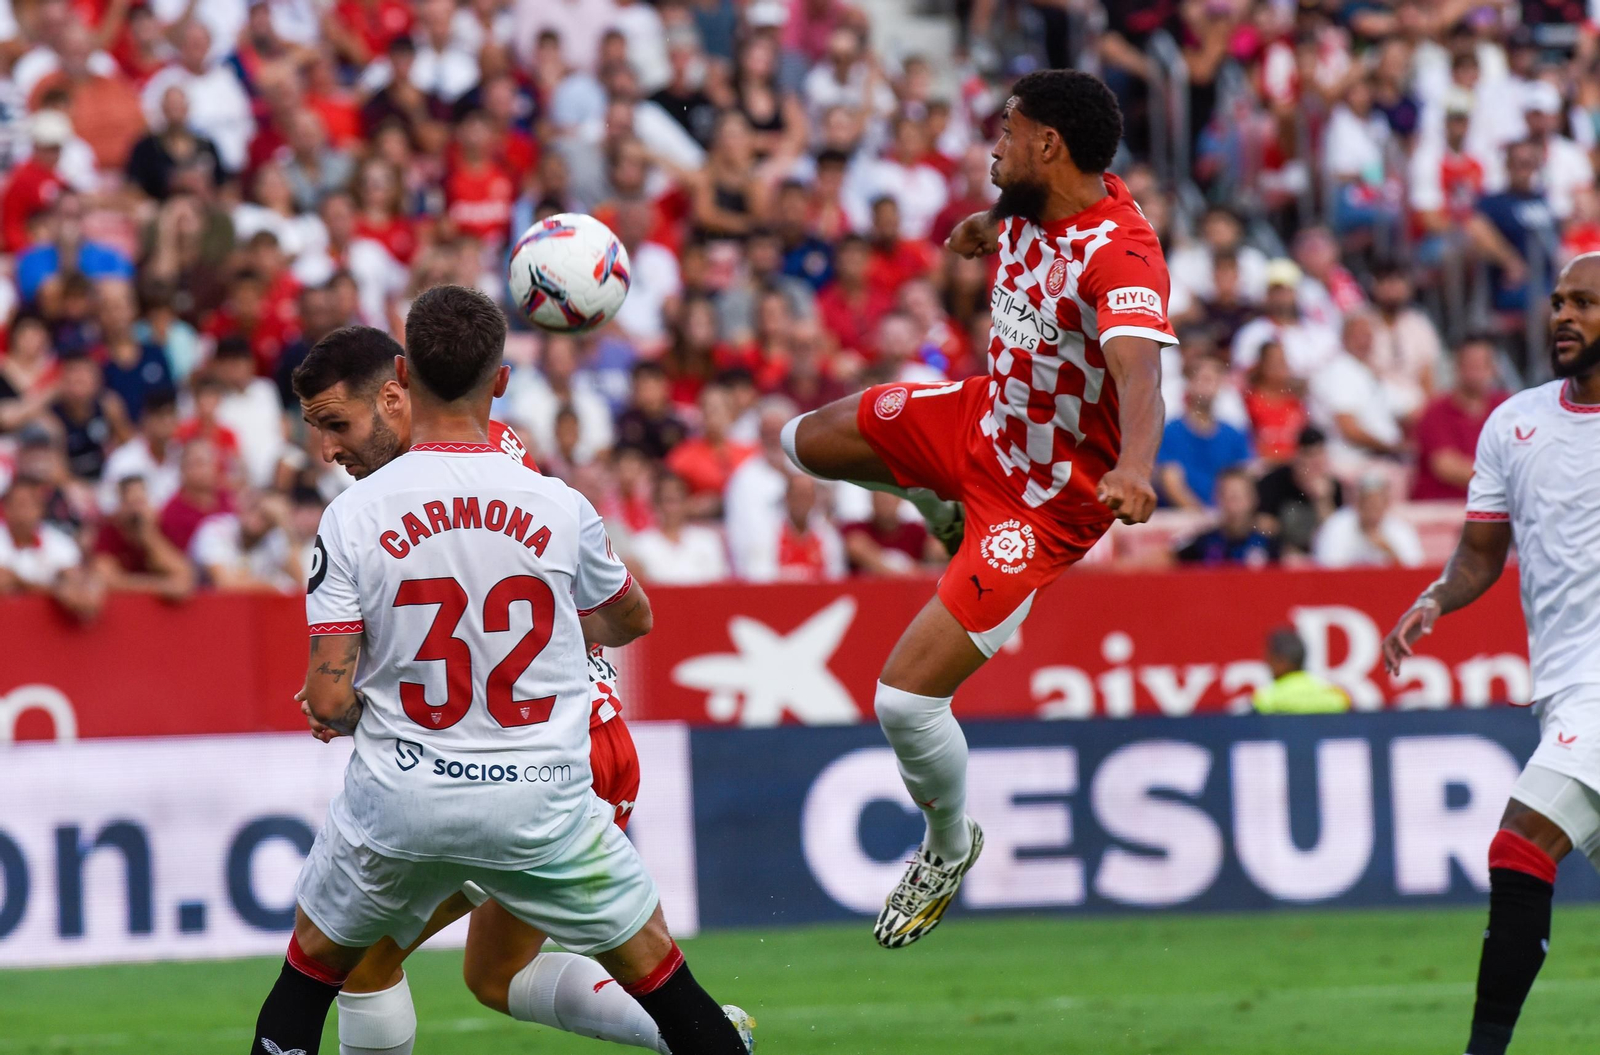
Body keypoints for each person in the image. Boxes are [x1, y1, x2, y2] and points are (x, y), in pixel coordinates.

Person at [278, 311, 753, 1055]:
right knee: (494, 976)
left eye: (338, 424)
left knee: (361, 963)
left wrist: (357, 697)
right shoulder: (506, 465)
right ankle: (701, 1033)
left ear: (398, 392)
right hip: (561, 740)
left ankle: (697, 1031)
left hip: (528, 750)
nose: (330, 449)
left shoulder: (415, 492)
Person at [784, 70, 1173, 947]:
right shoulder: (1041, 197)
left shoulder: (1121, 255)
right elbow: (1034, 211)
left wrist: (1136, 466)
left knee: (903, 703)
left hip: (1041, 505)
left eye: (1008, 130)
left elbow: (1141, 371)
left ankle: (948, 843)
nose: (993, 144)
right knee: (800, 442)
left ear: (1048, 144)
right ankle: (938, 503)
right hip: (979, 421)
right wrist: (989, 220)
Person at [1381, 252, 1600, 1055]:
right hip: (1563, 685)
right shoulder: (1514, 423)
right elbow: (1481, 552)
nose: (1564, 315)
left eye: (1585, 302)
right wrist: (1436, 598)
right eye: (1559, 301)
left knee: (1518, 844)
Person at [1412, 337, 1508, 500]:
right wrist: (1504, 480)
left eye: (1482, 365)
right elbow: (1445, 467)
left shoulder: (1506, 407)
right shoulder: (1436, 410)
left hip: (1492, 502)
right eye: (1470, 365)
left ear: (1493, 368)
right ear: (1456, 367)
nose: (1476, 373)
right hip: (1442, 503)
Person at [1156, 354, 1253, 510]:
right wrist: (1203, 515)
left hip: (1224, 516)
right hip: (1182, 516)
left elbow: (1243, 479)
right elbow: (1170, 482)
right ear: (1189, 383)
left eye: (1214, 380)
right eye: (1203, 379)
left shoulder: (1233, 435)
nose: (1208, 386)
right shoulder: (1171, 432)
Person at [1255, 425, 1343, 556]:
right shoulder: (1275, 481)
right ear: (1297, 457)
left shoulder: (1333, 487)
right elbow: (1262, 524)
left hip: (1320, 555)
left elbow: (1335, 534)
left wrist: (1322, 501)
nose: (1315, 463)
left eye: (1319, 456)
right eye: (1309, 456)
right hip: (1282, 555)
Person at [1312, 474, 1423, 568]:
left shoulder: (1400, 529)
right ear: (1357, 503)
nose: (1372, 509)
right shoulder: (1337, 526)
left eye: (1377, 504)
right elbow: (1327, 567)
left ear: (1386, 503)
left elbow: (1415, 570)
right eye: (1368, 503)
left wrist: (1390, 551)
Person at [1174, 467, 1277, 567]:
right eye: (1225, 495)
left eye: (1237, 496)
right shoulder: (1204, 543)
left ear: (1254, 498)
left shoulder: (1269, 543)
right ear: (1216, 498)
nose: (1232, 504)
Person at [1252, 627, 1349, 714]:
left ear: (1282, 661)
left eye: (1269, 659)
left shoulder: (1266, 699)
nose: (1267, 663)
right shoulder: (1334, 697)